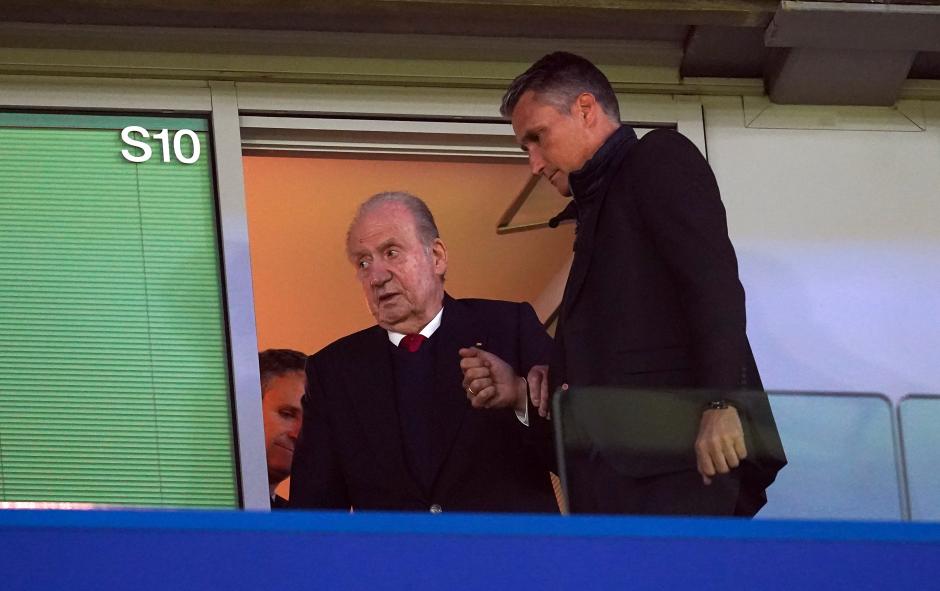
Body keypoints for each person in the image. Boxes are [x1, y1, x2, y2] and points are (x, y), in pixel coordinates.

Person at [498, 51, 785, 516]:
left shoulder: (657, 157)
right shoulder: (594, 209)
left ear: (586, 110)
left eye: (538, 137)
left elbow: (712, 284)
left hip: (680, 461)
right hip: (611, 481)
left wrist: (720, 402)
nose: (533, 163)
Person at [289, 191, 557, 513]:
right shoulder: (332, 373)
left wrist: (519, 396)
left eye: (391, 252)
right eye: (363, 262)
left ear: (437, 257)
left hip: (507, 557)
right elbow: (314, 513)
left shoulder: (509, 328)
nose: (376, 276)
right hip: (395, 562)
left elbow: (585, 455)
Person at [259, 348, 307, 509]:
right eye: (287, 414)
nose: (298, 434)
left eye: (311, 422)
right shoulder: (184, 503)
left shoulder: (300, 527)